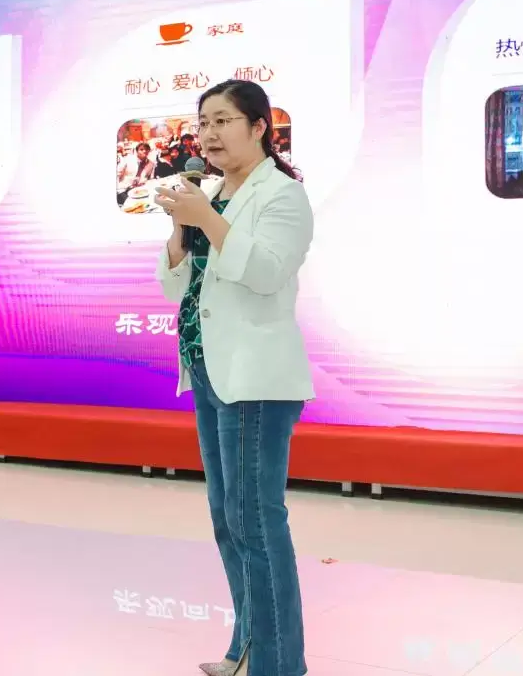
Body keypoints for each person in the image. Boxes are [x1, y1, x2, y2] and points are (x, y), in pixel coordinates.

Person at [154, 79, 313, 676]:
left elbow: (267, 273)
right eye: (203, 123)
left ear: (259, 127)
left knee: (256, 521)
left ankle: (279, 665)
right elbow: (180, 286)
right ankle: (246, 646)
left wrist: (207, 219)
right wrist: (181, 231)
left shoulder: (284, 195)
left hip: (256, 377)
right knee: (229, 521)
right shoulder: (212, 194)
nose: (209, 134)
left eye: (222, 120)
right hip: (207, 368)